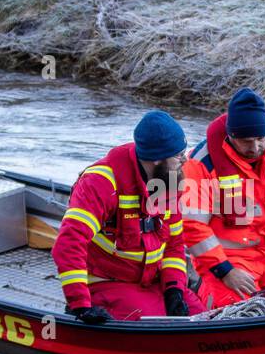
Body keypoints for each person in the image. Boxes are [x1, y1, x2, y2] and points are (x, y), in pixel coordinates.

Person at [52, 111, 206, 322]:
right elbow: (69, 243)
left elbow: (174, 245)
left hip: (152, 280)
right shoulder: (101, 183)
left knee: (201, 316)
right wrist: (80, 304)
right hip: (107, 282)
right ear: (157, 158)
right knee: (155, 327)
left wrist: (174, 290)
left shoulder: (169, 179)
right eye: (178, 155)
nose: (184, 160)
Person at [181, 87, 265, 308]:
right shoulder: (201, 163)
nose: (256, 147)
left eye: (261, 139)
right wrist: (225, 271)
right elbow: (192, 226)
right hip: (228, 262)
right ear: (231, 136)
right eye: (247, 141)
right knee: (235, 312)